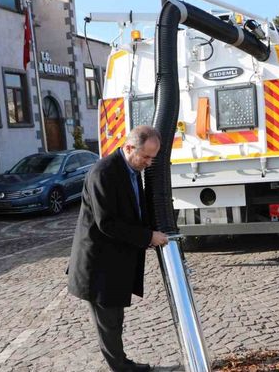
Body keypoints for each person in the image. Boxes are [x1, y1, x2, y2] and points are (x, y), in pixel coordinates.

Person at [67, 125, 169, 372]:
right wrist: (148, 236)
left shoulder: (132, 169)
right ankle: (121, 368)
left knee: (114, 320)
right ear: (128, 148)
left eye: (152, 158)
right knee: (109, 324)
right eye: (145, 156)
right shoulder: (104, 173)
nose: (148, 162)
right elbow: (107, 223)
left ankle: (123, 364)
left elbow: (135, 208)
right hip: (99, 266)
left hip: (114, 263)